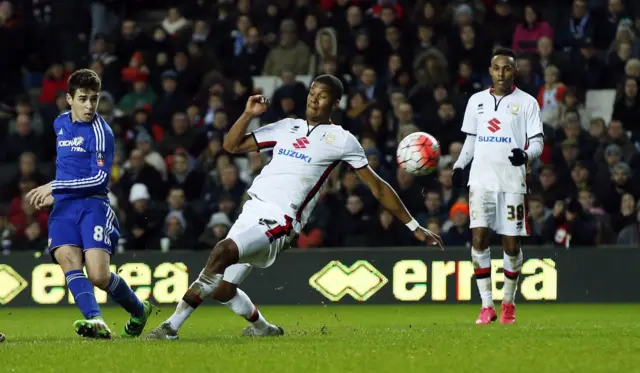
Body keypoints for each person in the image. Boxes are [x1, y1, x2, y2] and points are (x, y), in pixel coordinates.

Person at [146, 74, 443, 339]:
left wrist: (414, 226)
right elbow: (231, 146)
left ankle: (171, 327)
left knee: (222, 251)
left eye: (322, 95)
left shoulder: (342, 140)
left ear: (335, 103)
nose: (314, 98)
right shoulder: (287, 127)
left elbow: (378, 186)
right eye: (312, 91)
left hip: (282, 220)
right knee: (222, 287)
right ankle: (263, 329)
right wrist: (248, 114)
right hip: (252, 210)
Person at [26, 69, 152, 339]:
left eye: (93, 99)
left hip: (93, 205)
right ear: (69, 99)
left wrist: (55, 186)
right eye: (83, 98)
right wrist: (55, 194)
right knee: (69, 261)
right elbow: (67, 166)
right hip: (63, 208)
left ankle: (139, 310)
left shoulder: (101, 131)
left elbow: (99, 179)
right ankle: (97, 321)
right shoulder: (60, 123)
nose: (89, 105)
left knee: (98, 275)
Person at [451, 49, 544, 325]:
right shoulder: (477, 101)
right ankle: (486, 305)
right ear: (490, 70)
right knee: (479, 238)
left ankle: (508, 303)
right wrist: (458, 166)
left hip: (512, 183)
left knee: (511, 245)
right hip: (480, 182)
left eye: (507, 68)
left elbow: (538, 141)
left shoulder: (527, 103)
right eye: (496, 68)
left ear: (514, 71)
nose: (501, 73)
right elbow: (471, 141)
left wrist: (526, 155)